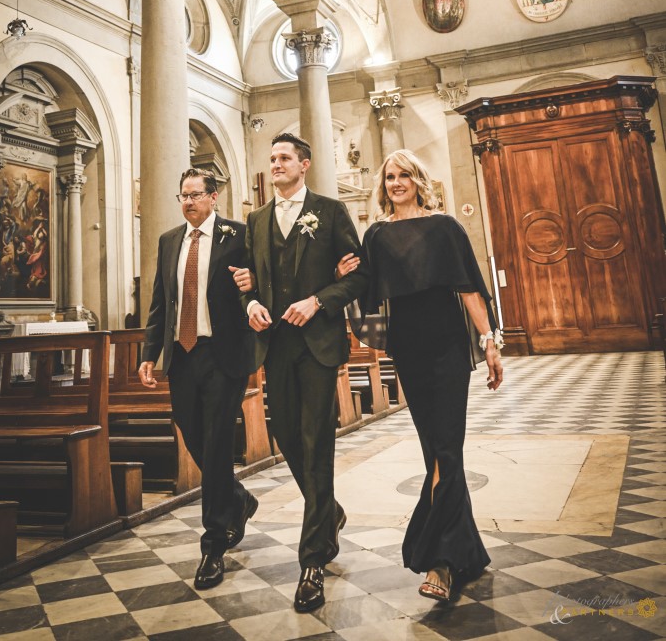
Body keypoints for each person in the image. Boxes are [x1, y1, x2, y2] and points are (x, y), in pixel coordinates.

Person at [344, 149, 503, 603]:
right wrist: (343, 273)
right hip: (408, 349)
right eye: (390, 176)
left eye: (404, 175)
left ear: (418, 180)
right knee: (434, 449)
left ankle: (439, 560)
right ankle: (466, 551)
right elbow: (363, 288)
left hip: (450, 346)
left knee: (447, 449)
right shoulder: (375, 235)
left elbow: (470, 288)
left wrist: (489, 341)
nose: (396, 183)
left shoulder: (445, 227)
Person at [231, 132, 368, 613]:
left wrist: (318, 300)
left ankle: (312, 561)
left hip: (317, 346)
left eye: (284, 158)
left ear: (304, 164)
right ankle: (328, 510)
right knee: (286, 435)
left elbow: (358, 274)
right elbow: (244, 279)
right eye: (271, 159)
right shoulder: (256, 220)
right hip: (275, 347)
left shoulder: (329, 213)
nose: (276, 165)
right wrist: (249, 303)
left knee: (316, 442)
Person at [139, 169, 258, 590]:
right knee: (192, 432)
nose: (188, 202)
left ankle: (213, 543)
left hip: (222, 354)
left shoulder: (238, 235)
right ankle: (238, 499)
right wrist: (149, 354)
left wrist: (255, 288)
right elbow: (160, 301)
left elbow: (256, 287)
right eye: (182, 195)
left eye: (195, 195)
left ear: (214, 197)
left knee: (217, 438)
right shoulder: (170, 240)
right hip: (182, 357)